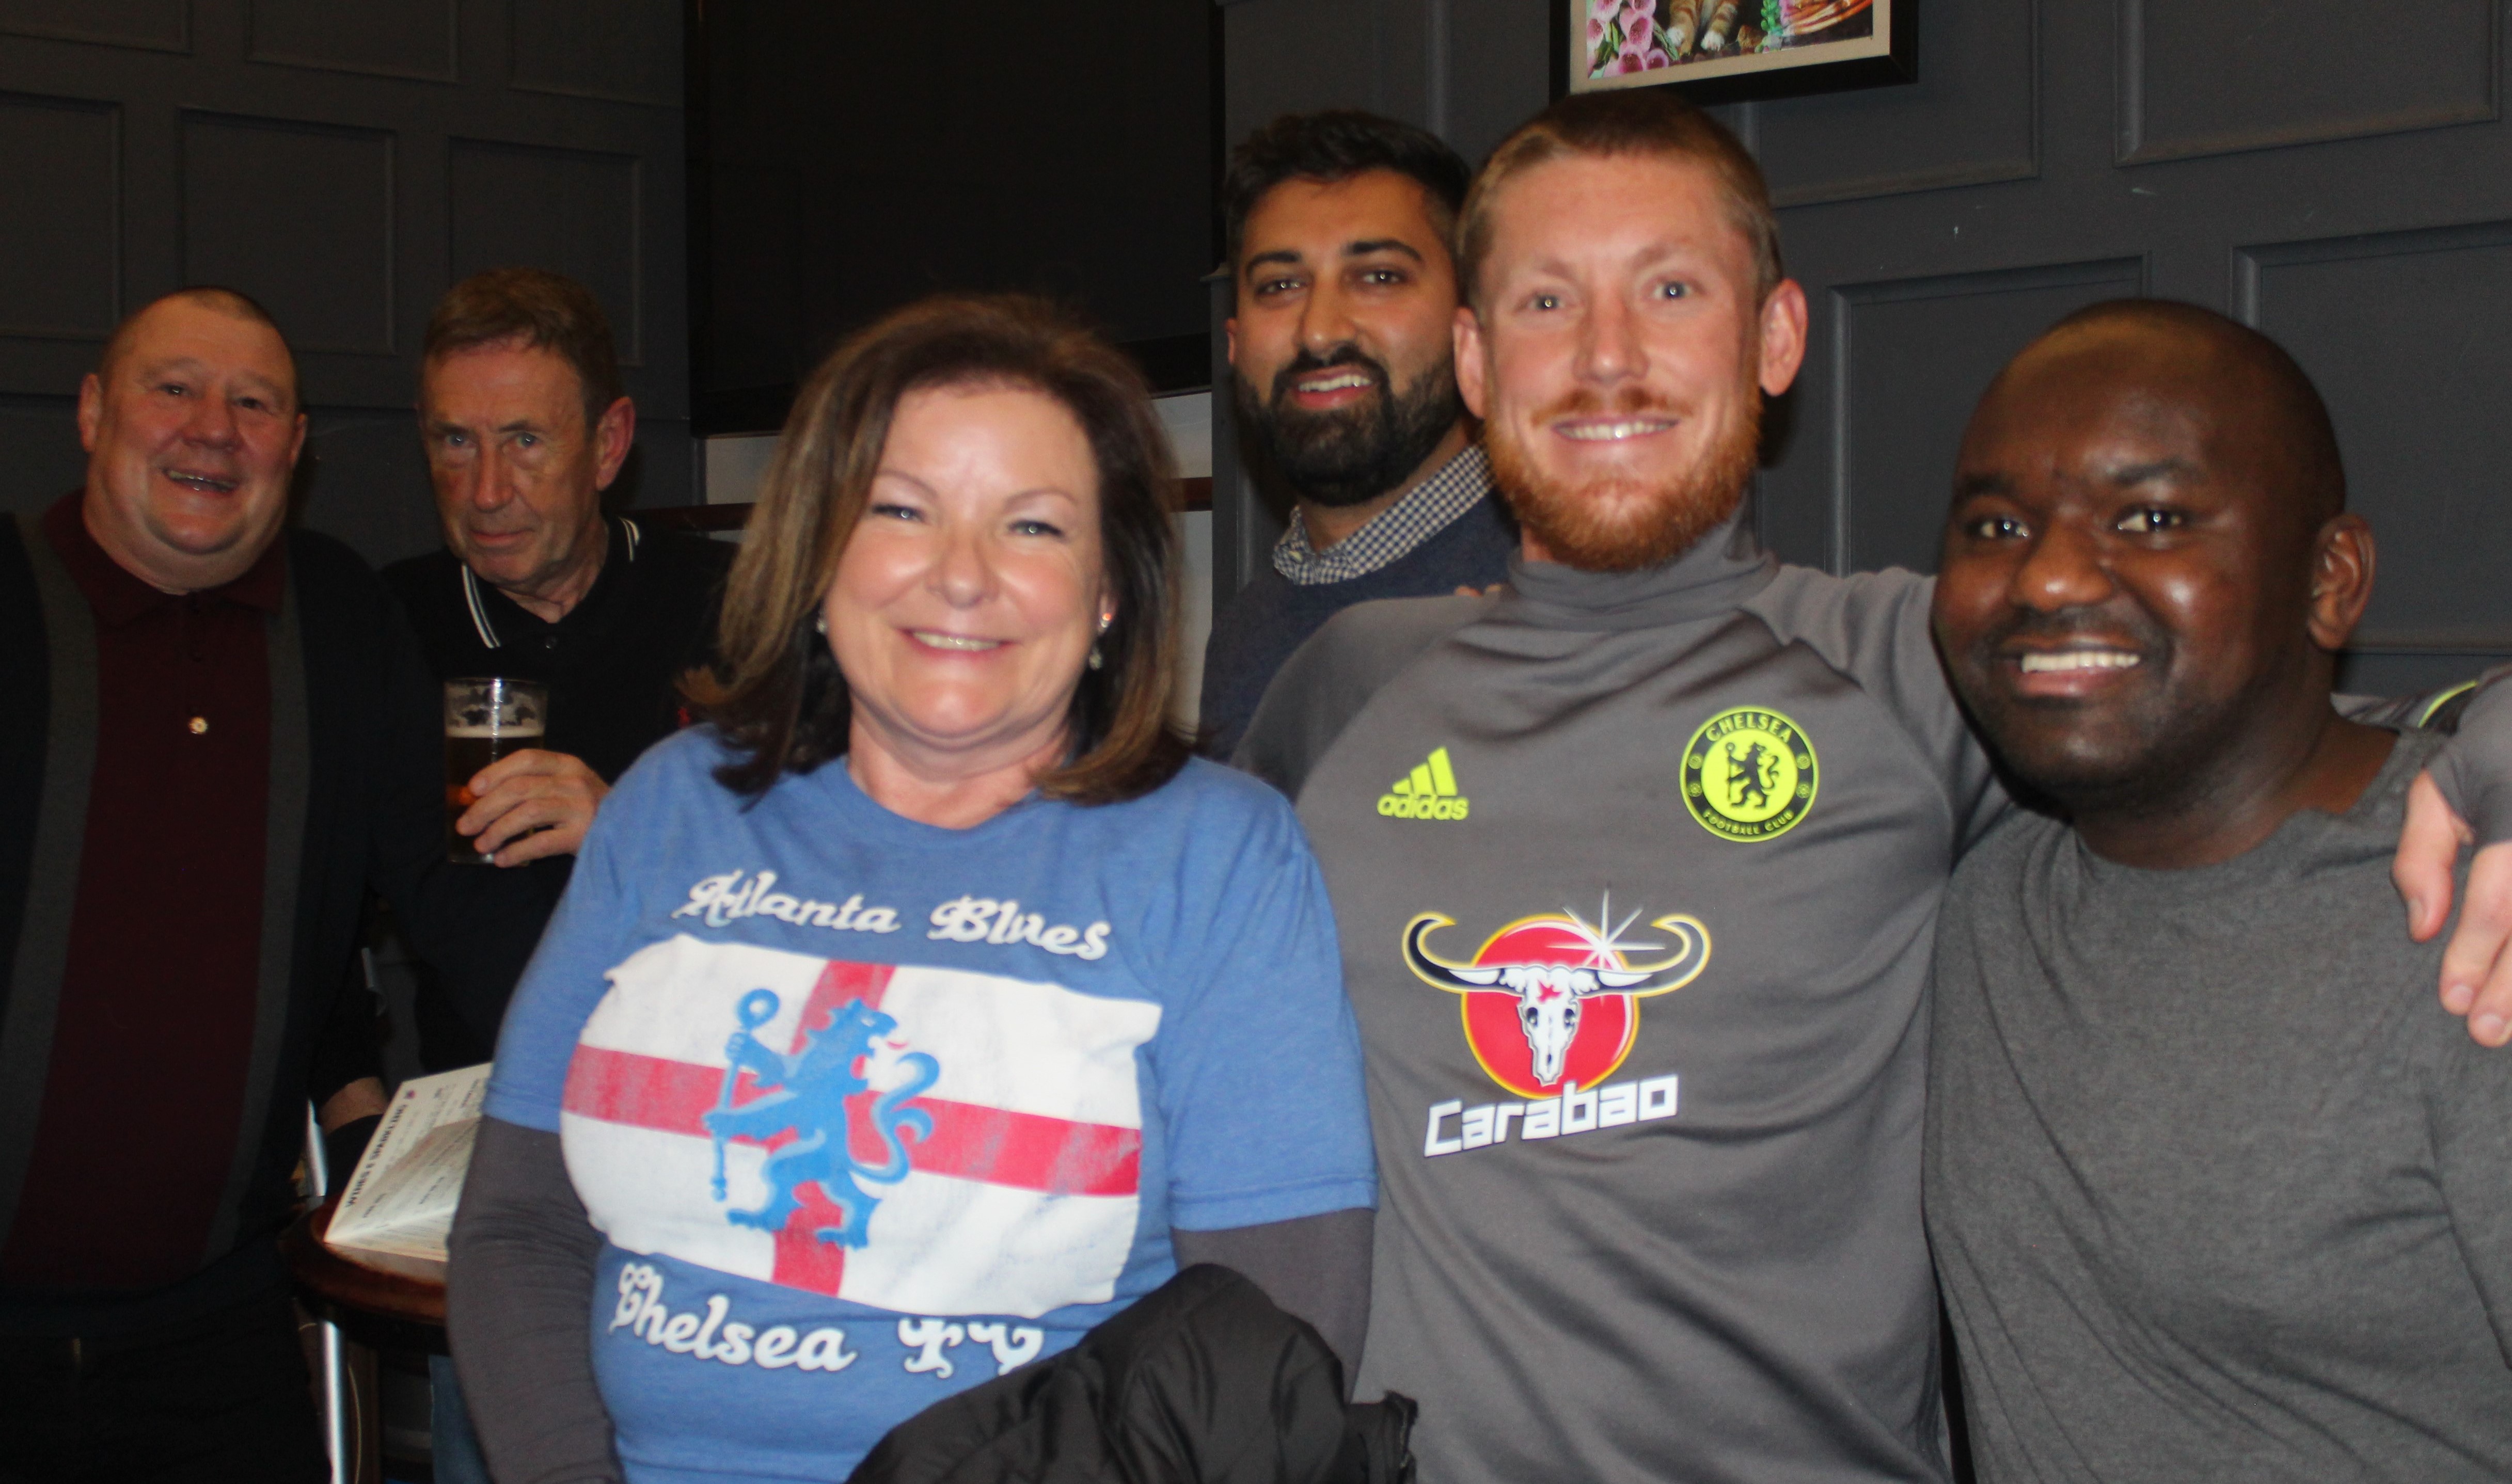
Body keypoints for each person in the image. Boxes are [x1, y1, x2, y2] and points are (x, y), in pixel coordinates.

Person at [1233, 90, 2512, 1483]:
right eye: (1548, 302)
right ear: (1477, 360)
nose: (1607, 358)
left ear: (1777, 338)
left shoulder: (1914, 663)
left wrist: (2493, 736)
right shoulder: (1344, 688)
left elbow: (2250, 715)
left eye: (1670, 289)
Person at [448, 295, 1379, 1482]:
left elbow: (1262, 1346)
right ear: (818, 556)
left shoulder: (1220, 857)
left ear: (1108, 592)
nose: (960, 575)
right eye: (900, 510)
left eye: (1032, 525)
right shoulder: (670, 804)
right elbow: (520, 1226)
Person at [1924, 302, 2512, 1480]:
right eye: (1997, 525)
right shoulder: (1983, 899)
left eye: (2150, 518)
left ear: (2331, 579)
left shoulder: (2473, 927)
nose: (2047, 575)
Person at [0, 288, 542, 1480]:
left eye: (254, 404)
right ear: (92, 413)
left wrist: (621, 1079)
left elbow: (449, 891)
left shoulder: (338, 618)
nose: (214, 427)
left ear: (293, 449)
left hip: (215, 1332)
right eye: (174, 389)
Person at [386, 267, 733, 1072]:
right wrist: (348, 1095)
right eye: (456, 441)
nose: (486, 490)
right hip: (477, 1091)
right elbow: (310, 892)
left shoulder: (737, 608)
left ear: (608, 444)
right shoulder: (389, 625)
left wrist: (626, 830)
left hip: (704, 1073)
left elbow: (838, 887)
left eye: (525, 441)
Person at [1199, 110, 1514, 757]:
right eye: (1280, 285)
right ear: (1234, 344)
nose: (1319, 330)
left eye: (1378, 277)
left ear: (1473, 328)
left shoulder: (1550, 591)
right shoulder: (1242, 636)